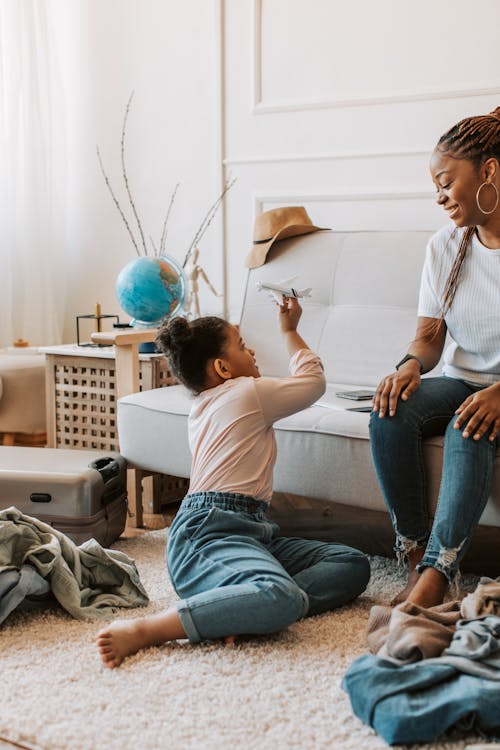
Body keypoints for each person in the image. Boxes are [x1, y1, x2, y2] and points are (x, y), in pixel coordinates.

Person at [97, 297, 370, 668]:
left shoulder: (203, 406)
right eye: (242, 345)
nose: (251, 349)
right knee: (280, 596)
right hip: (207, 534)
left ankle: (242, 612)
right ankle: (150, 629)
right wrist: (289, 331)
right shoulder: (246, 392)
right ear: (223, 368)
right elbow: (313, 382)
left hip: (251, 532)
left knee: (352, 563)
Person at [369, 107, 500, 609]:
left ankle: (439, 576)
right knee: (390, 409)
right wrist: (407, 366)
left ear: (488, 171)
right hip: (463, 379)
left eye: (446, 182)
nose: (440, 197)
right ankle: (414, 553)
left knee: (467, 425)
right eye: (435, 187)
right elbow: (429, 339)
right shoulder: (445, 246)